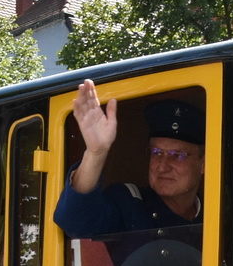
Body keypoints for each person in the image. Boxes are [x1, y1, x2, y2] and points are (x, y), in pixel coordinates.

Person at [53, 88, 206, 238]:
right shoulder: (129, 203)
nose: (162, 166)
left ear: (203, 164)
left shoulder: (216, 215)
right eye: (157, 153)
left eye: (177, 155)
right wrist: (95, 153)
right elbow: (75, 222)